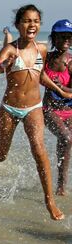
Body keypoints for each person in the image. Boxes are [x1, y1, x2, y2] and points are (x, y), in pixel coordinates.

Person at [0, 4, 67, 221]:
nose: (32, 24)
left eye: (35, 21)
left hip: (33, 108)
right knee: (1, 153)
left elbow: (40, 76)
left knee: (39, 150)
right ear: (18, 24)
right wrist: (1, 67)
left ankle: (49, 201)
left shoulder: (42, 49)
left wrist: (59, 90)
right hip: (9, 108)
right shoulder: (10, 49)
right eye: (27, 21)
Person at [42, 19, 72, 196]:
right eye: (62, 36)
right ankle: (60, 186)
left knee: (66, 141)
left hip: (69, 110)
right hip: (49, 109)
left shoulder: (71, 62)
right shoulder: (47, 58)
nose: (66, 40)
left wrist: (60, 86)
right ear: (54, 38)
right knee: (67, 139)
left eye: (69, 36)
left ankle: (61, 183)